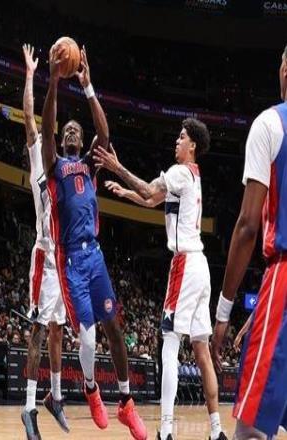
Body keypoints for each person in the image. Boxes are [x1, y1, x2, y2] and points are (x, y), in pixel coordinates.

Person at [95, 118, 227, 440]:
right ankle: (217, 431)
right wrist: (126, 192)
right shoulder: (192, 176)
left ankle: (166, 430)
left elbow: (150, 189)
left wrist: (117, 167)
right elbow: (151, 199)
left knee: (169, 342)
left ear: (192, 146)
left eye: (181, 137)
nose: (176, 141)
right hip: (202, 267)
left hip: (185, 264)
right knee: (201, 351)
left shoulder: (180, 171)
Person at [40, 44, 146, 439]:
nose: (70, 131)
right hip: (71, 260)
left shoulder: (88, 164)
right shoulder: (55, 166)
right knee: (88, 336)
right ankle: (90, 389)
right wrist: (53, 82)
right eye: (67, 130)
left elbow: (104, 132)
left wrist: (87, 86)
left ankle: (126, 403)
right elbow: (47, 130)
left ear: (82, 140)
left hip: (95, 255)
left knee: (114, 327)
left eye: (75, 130)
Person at [211, 45, 287, 440]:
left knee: (251, 429)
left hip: (284, 278)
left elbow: (246, 226)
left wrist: (224, 310)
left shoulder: (270, 124)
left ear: (285, 70)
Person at [20, 43, 69, 440]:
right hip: (43, 255)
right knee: (38, 329)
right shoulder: (38, 155)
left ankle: (55, 396)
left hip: (63, 260)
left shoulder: (67, 168)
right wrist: (30, 75)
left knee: (57, 331)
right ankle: (29, 407)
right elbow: (30, 118)